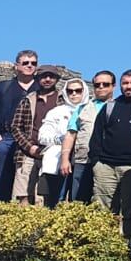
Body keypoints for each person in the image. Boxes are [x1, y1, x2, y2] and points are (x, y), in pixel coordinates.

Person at [90, 70, 131, 244]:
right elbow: (97, 134)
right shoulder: (111, 106)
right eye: (125, 83)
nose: (128, 86)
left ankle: (128, 249)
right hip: (106, 165)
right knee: (103, 209)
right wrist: (96, 161)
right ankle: (105, 247)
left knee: (130, 210)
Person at [0, 50, 39, 201]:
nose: (30, 66)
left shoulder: (41, 89)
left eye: (33, 63)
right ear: (17, 66)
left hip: (30, 139)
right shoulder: (2, 87)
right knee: (3, 178)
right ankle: (2, 206)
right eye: (25, 63)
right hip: (6, 138)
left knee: (30, 178)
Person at [8, 66, 63, 205]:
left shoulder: (62, 99)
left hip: (54, 151)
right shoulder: (28, 100)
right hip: (27, 152)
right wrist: (29, 147)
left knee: (46, 193)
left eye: (51, 76)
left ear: (57, 79)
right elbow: (15, 126)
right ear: (38, 79)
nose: (47, 79)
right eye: (44, 76)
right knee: (23, 193)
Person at [61, 71, 116, 204]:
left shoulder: (120, 107)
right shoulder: (82, 108)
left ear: (113, 86)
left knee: (104, 203)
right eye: (97, 85)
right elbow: (70, 134)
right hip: (83, 160)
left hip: (108, 162)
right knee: (78, 202)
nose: (101, 87)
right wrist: (65, 159)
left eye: (105, 84)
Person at [37, 75, 87, 207]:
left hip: (83, 159)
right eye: (70, 91)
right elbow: (42, 135)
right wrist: (61, 139)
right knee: (54, 200)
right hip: (57, 160)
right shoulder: (56, 112)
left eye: (78, 90)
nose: (74, 94)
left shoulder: (91, 110)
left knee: (79, 200)